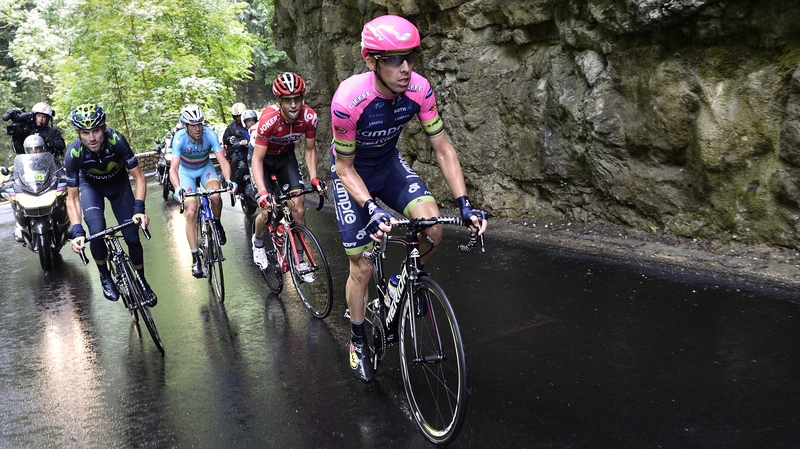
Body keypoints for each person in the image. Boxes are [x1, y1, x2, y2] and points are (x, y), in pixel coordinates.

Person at [330, 15, 488, 383]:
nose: (405, 68)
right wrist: (370, 208)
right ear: (371, 61)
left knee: (433, 228)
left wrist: (464, 202)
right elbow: (344, 167)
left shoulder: (420, 89)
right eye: (393, 59)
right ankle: (357, 339)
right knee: (363, 267)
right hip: (352, 176)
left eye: (411, 57)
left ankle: (401, 285)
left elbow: (442, 148)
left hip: (389, 168)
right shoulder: (348, 100)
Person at [65, 104, 156, 306]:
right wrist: (78, 231)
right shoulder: (73, 154)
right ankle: (105, 275)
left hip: (119, 185)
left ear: (103, 128)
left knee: (132, 235)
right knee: (96, 231)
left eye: (96, 130)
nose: (92, 138)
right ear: (78, 133)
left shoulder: (117, 141)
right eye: (86, 133)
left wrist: (139, 210)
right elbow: (72, 198)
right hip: (92, 188)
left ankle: (142, 282)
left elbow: (140, 177)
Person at [250, 72, 323, 274]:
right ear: (279, 101)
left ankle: (299, 262)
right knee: (269, 210)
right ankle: (257, 241)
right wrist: (263, 192)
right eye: (287, 100)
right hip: (262, 159)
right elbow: (257, 159)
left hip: (285, 158)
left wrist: (314, 177)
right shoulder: (269, 119)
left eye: (297, 99)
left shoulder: (309, 117)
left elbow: (310, 149)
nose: (293, 105)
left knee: (298, 208)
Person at [169, 103, 236, 278]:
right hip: (186, 173)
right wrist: (177, 189)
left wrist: (228, 180)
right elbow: (173, 169)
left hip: (205, 169)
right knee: (191, 211)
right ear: (185, 125)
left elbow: (222, 160)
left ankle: (217, 223)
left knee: (216, 196)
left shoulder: (209, 134)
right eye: (193, 125)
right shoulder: (179, 138)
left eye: (200, 123)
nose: (198, 128)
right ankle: (195, 258)